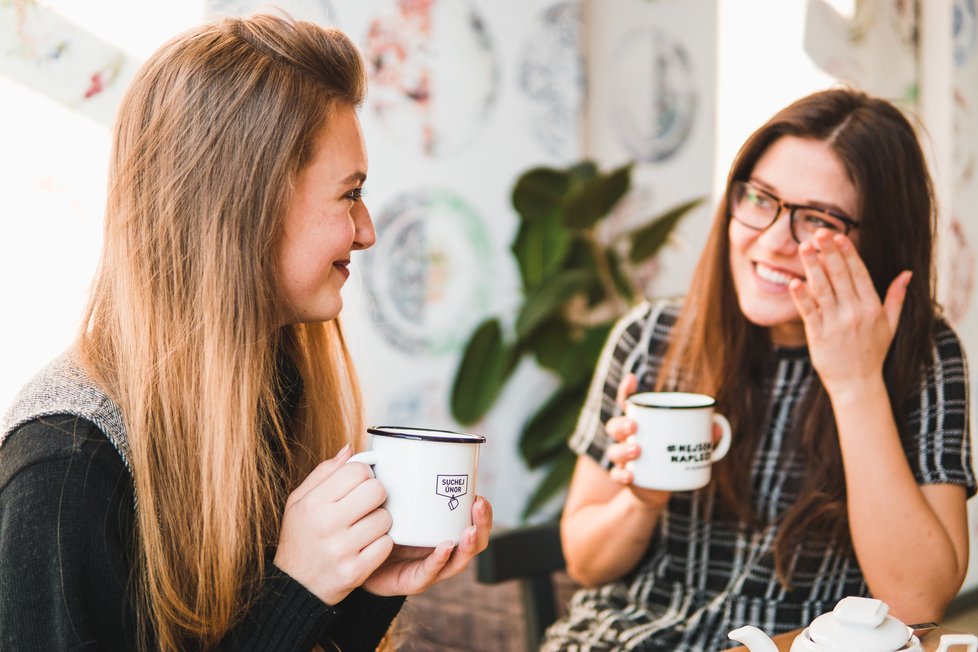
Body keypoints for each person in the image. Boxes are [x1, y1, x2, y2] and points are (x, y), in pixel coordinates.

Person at [0, 13, 491, 651]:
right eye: (350, 194)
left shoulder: (270, 383)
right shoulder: (63, 475)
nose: (367, 230)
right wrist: (298, 589)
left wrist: (362, 591)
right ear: (247, 207)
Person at [542, 87, 975, 651]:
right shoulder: (650, 336)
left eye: (818, 219)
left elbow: (919, 603)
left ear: (880, 241)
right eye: (760, 199)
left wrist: (856, 383)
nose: (771, 243)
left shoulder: (921, 354)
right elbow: (584, 563)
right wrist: (639, 501)